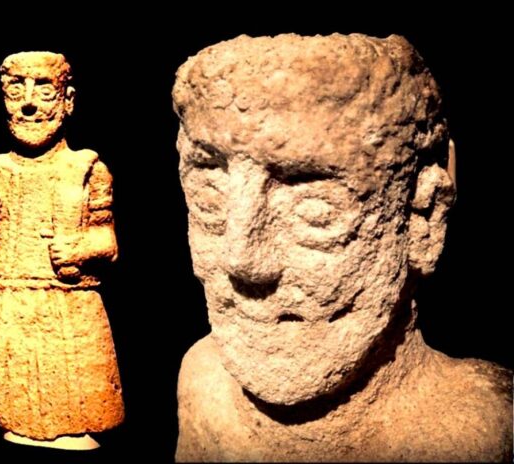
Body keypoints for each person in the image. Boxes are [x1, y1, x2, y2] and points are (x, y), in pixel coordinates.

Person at [172, 33, 511, 461]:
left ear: (422, 219)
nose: (240, 259)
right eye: (211, 199)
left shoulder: (477, 432)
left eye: (315, 210)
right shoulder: (203, 381)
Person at [0, 51, 123, 450]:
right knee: (15, 397)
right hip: (13, 299)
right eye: (15, 90)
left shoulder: (88, 169)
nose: (28, 103)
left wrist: (79, 249)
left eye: (43, 90)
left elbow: (108, 243)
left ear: (68, 100)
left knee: (79, 398)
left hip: (70, 302)